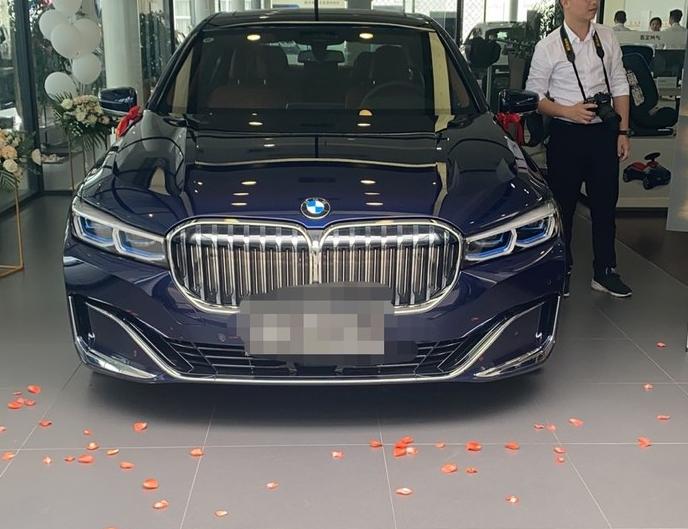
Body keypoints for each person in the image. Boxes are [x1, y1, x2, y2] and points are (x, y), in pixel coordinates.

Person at [526, 0, 632, 298]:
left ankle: (605, 271)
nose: (592, 2)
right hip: (566, 135)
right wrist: (567, 111)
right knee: (564, 207)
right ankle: (562, 268)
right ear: (565, 2)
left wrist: (623, 131)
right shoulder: (548, 46)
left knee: (605, 206)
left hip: (604, 133)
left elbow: (620, 85)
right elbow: (534, 96)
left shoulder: (607, 36)